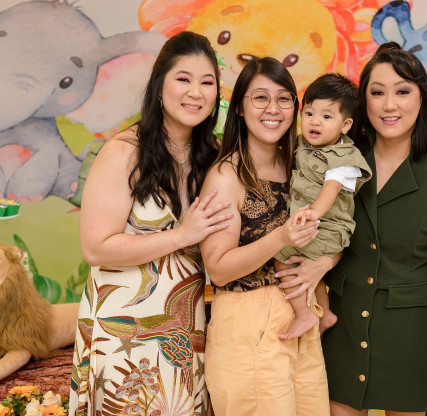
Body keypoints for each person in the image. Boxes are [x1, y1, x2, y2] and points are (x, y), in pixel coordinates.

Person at [68, 31, 232, 416]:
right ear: (159, 85)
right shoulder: (124, 152)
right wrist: (182, 235)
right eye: (183, 79)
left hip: (186, 335)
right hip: (124, 336)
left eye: (207, 82)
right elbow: (95, 247)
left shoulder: (214, 156)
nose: (195, 92)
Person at [321, 42, 427, 416]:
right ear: (364, 101)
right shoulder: (339, 158)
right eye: (377, 93)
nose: (389, 105)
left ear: (422, 98)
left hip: (411, 334)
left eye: (402, 91)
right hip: (341, 325)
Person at [199, 57, 331, 416]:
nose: (273, 109)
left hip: (301, 317)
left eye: (284, 98)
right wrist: (281, 237)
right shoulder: (227, 175)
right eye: (260, 98)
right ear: (240, 108)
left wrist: (323, 263)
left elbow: (333, 229)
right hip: (248, 322)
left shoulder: (298, 166)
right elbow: (219, 270)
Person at [274, 73, 372, 340]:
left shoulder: (344, 158)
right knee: (306, 266)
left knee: (282, 258)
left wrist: (313, 213)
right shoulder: (302, 144)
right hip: (315, 223)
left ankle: (305, 314)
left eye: (327, 116)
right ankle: (325, 314)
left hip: (328, 227)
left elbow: (331, 190)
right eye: (309, 113)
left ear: (345, 125)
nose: (315, 121)